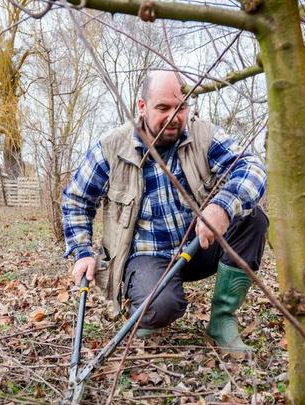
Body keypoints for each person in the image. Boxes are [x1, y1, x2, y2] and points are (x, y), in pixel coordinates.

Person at [62, 70, 268, 351]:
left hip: (199, 244)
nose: (174, 117)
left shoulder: (203, 134)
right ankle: (146, 307)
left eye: (180, 107)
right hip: (147, 256)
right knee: (162, 307)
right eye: (163, 108)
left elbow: (251, 167)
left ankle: (222, 320)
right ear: (142, 107)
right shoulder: (112, 146)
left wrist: (222, 206)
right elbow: (77, 198)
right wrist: (82, 252)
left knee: (252, 219)